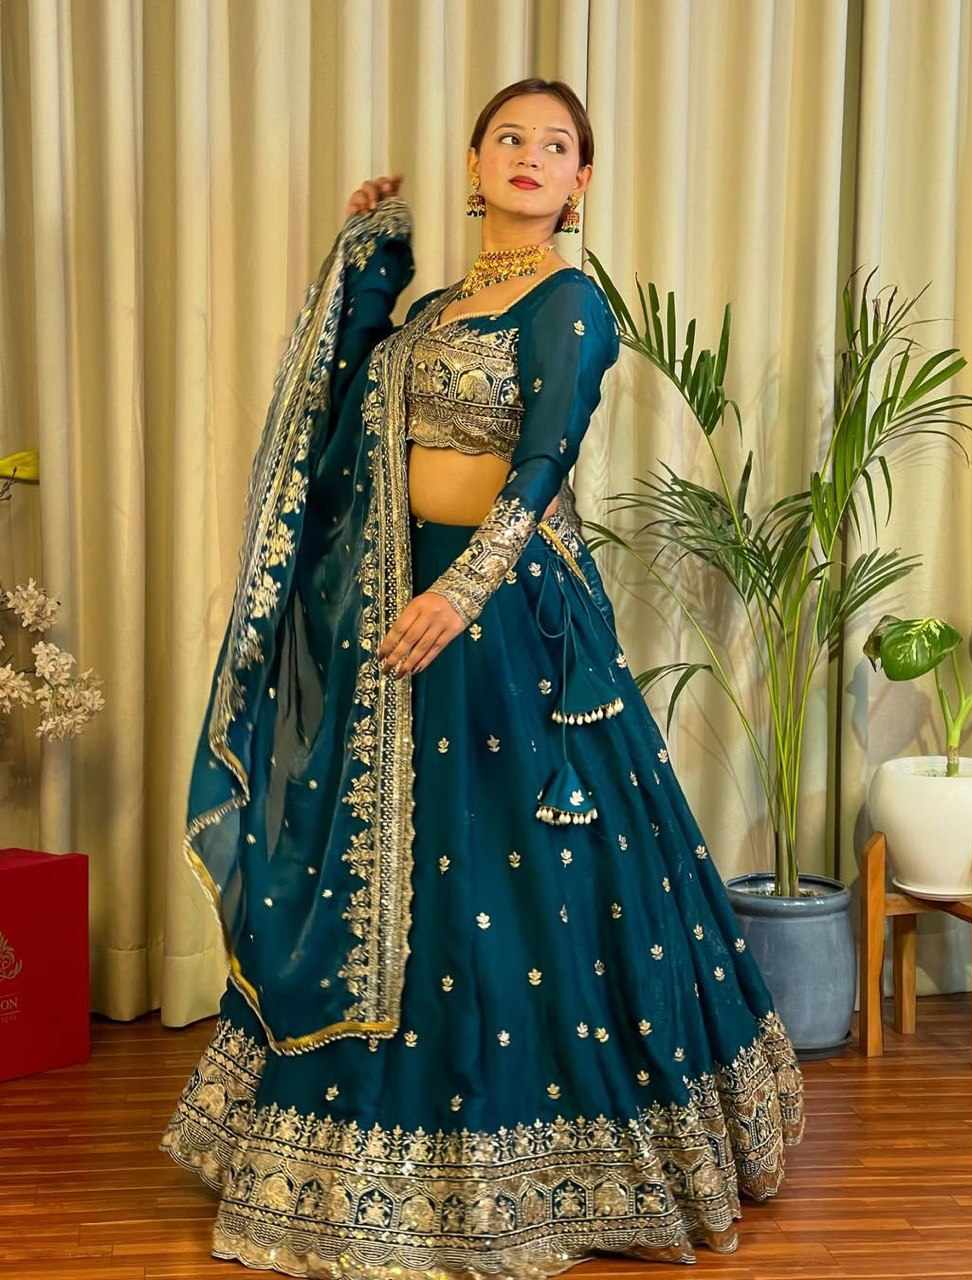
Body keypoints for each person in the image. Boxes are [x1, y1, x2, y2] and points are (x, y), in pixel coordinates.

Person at [160, 77, 805, 1278]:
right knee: (397, 874)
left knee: (523, 873)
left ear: (579, 181)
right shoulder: (438, 310)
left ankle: (555, 1157)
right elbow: (348, 421)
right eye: (509, 136)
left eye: (555, 145)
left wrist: (463, 591)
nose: (529, 155)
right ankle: (372, 1146)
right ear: (474, 160)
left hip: (509, 619)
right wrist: (367, 263)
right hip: (396, 605)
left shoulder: (568, 302)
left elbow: (544, 458)